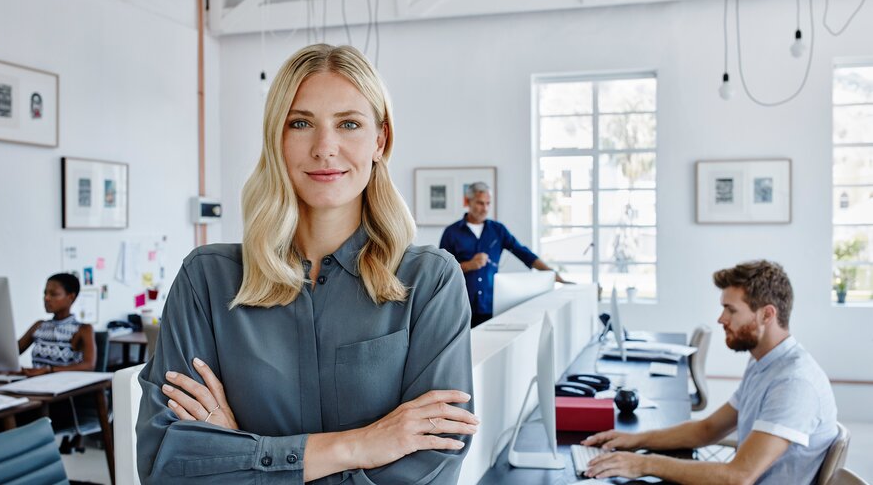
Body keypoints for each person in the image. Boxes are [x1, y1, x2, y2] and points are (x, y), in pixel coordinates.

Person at [136, 44, 477, 484]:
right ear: (276, 138)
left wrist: (243, 455)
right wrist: (361, 444)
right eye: (300, 123)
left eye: (349, 124)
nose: (325, 148)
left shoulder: (430, 282)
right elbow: (168, 465)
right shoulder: (206, 279)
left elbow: (429, 470)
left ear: (380, 140)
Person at [582, 260, 838, 484]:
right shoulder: (764, 363)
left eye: (731, 309)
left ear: (767, 314)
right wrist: (635, 440)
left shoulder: (794, 382)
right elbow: (708, 429)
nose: (721, 318)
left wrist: (643, 465)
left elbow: (739, 477)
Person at [439, 181, 569, 327]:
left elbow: (524, 253)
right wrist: (469, 265)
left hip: (491, 306)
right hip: (460, 306)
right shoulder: (451, 233)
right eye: (480, 203)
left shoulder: (498, 230)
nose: (485, 209)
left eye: (488, 203)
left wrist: (554, 275)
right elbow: (442, 272)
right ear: (467, 202)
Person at [17, 273, 96, 376]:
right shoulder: (39, 326)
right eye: (45, 293)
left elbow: (89, 365)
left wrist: (49, 370)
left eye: (53, 294)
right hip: (34, 384)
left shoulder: (82, 329)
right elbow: (11, 353)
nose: (46, 298)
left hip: (65, 387)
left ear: (71, 297)